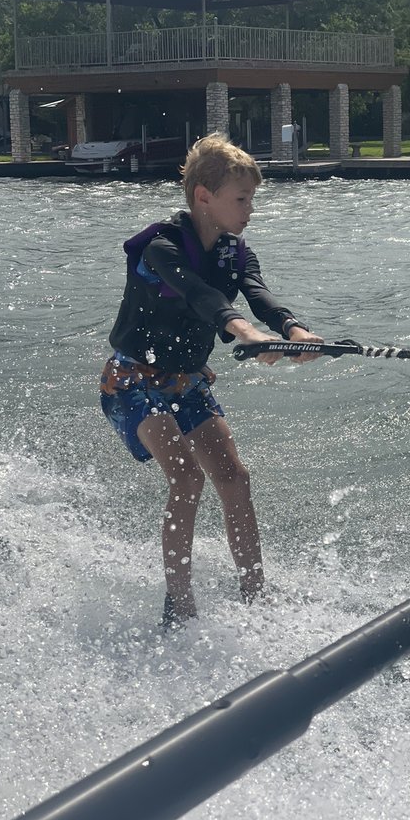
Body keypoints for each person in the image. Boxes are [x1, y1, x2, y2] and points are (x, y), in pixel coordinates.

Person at [100, 133, 322, 627]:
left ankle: (256, 595)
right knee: (187, 477)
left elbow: (259, 295)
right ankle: (179, 604)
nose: (249, 210)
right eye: (241, 199)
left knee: (235, 479)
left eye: (252, 199)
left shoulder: (236, 253)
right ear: (205, 196)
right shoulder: (160, 247)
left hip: (186, 380)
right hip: (130, 381)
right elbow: (202, 297)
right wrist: (245, 332)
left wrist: (293, 331)